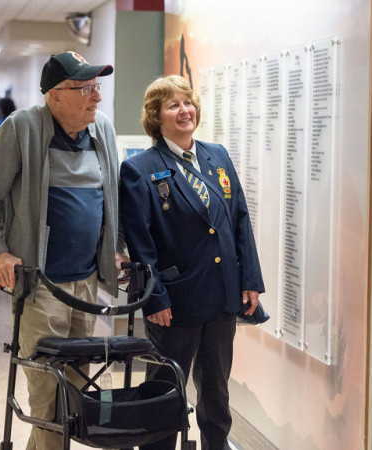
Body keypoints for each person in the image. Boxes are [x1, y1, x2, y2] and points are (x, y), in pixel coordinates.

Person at [0, 51, 127, 450]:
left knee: (75, 395)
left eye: (96, 88)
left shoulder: (102, 131)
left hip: (87, 285)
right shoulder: (22, 128)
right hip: (40, 288)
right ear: (56, 95)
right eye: (85, 89)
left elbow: (114, 200)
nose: (97, 97)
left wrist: (117, 250)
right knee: (47, 397)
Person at [119, 75, 264, 450]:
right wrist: (154, 298)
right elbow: (141, 244)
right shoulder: (141, 169)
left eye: (188, 102)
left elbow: (239, 220)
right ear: (156, 117)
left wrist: (250, 279)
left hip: (221, 294)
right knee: (166, 389)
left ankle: (216, 444)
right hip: (175, 302)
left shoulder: (217, 155)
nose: (184, 111)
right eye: (173, 105)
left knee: (216, 388)